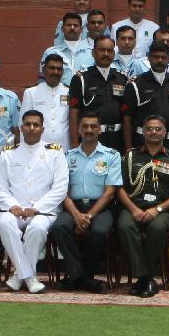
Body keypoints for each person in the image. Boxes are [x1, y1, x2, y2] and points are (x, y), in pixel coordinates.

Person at [0, 110, 69, 295]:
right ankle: (29, 277)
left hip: (44, 210)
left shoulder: (55, 153)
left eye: (36, 125)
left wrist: (36, 208)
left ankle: (18, 276)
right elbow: (0, 186)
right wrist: (12, 205)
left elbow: (60, 188)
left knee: (37, 228)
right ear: (21, 128)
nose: (32, 128)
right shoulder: (8, 154)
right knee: (4, 225)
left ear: (42, 129)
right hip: (14, 209)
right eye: (28, 124)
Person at [115, 114, 169, 298]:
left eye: (158, 129)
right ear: (143, 132)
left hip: (161, 210)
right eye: (149, 129)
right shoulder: (130, 156)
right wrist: (134, 209)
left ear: (164, 133)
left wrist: (157, 209)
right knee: (124, 225)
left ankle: (143, 279)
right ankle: (147, 278)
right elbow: (119, 189)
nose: (153, 132)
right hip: (134, 207)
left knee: (157, 228)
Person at [50, 112, 122, 292]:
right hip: (72, 206)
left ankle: (78, 277)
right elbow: (62, 191)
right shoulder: (66, 156)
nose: (89, 130)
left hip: (101, 207)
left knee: (99, 231)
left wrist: (88, 216)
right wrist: (76, 215)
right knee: (59, 227)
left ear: (100, 130)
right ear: (79, 130)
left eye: (93, 126)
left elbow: (110, 192)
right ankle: (83, 277)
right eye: (85, 126)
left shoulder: (111, 155)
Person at [122, 41, 169, 153]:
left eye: (163, 57)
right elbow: (127, 119)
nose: (160, 60)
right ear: (149, 58)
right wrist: (129, 150)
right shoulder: (136, 84)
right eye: (156, 57)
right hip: (143, 144)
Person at [67, 36, 127, 151]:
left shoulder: (122, 78)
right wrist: (74, 144)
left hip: (117, 138)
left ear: (114, 54)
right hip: (90, 137)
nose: (106, 54)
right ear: (93, 52)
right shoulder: (81, 79)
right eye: (102, 50)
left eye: (109, 50)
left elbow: (126, 113)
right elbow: (74, 112)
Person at [22, 53, 70, 150]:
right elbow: (23, 125)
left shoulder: (69, 92)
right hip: (38, 150)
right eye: (51, 68)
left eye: (59, 69)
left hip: (64, 148)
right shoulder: (31, 93)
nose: (55, 72)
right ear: (44, 70)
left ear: (62, 72)